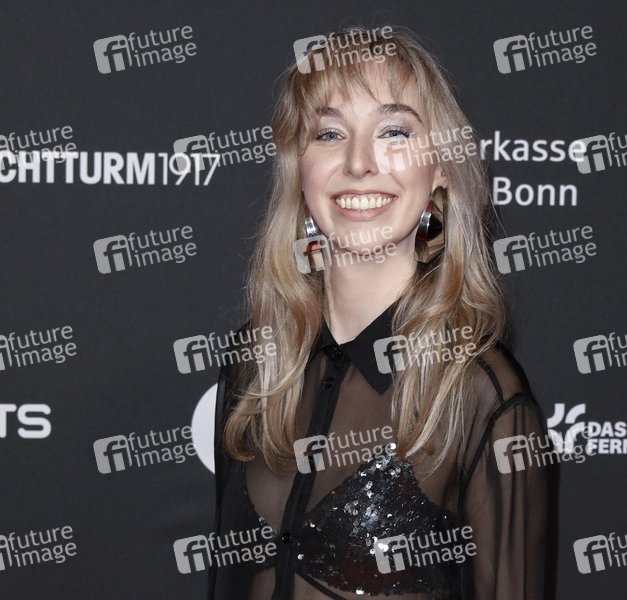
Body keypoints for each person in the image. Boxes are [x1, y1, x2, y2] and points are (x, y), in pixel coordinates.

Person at [207, 25, 547, 600]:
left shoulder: (479, 393)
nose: (359, 162)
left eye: (393, 131)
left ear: (441, 167)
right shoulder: (256, 360)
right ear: (298, 166)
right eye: (329, 133)